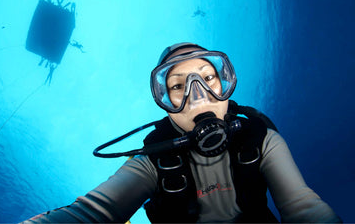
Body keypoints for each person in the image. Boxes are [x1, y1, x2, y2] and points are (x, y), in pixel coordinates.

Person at [21, 42, 341, 223]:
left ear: (226, 84)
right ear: (165, 102)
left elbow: (303, 208)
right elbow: (95, 212)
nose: (198, 95)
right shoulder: (154, 157)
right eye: (178, 86)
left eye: (207, 78)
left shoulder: (259, 137)